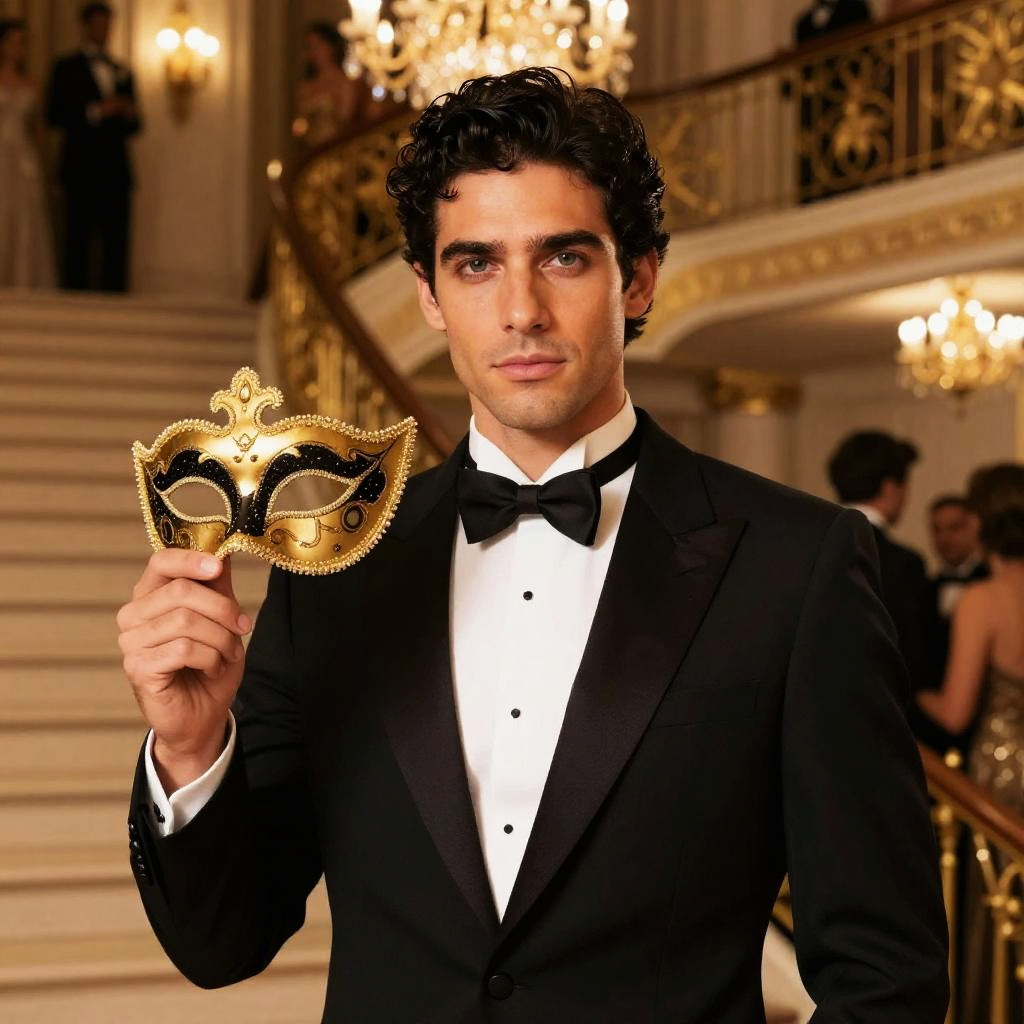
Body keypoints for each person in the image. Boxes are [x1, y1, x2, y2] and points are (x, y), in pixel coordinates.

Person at [118, 68, 948, 1023]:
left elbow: (888, 980)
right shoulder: (340, 568)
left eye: (562, 258)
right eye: (475, 264)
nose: (520, 311)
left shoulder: (797, 567)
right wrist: (187, 749)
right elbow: (224, 942)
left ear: (636, 277)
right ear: (428, 293)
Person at [917, 464, 1024, 1022]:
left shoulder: (984, 600)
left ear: (984, 521)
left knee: (995, 904)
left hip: (1000, 773)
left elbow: (954, 712)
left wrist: (905, 688)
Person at [826, 430, 936, 697]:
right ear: (890, 487)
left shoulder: (812, 548)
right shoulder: (903, 563)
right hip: (883, 711)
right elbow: (911, 661)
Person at [46, 1, 140, 292]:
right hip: (80, 166)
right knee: (77, 237)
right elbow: (54, 115)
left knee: (116, 241)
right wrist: (97, 111)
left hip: (115, 168)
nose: (104, 30)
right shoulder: (66, 67)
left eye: (108, 25)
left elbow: (136, 126)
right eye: (99, 24)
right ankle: (73, 298)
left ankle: (117, 298)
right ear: (86, 26)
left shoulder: (122, 70)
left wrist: (127, 112)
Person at [0, 18, 56, 288]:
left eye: (23, 42)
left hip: (21, 156)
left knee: (22, 215)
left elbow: (39, 128)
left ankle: (21, 279)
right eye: (13, 41)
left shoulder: (31, 83)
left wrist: (43, 162)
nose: (18, 47)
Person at [292, 21, 365, 147]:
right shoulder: (305, 86)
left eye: (318, 46)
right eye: (310, 47)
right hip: (308, 150)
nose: (314, 52)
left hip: (335, 150)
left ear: (332, 47)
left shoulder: (344, 83)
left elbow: (346, 124)